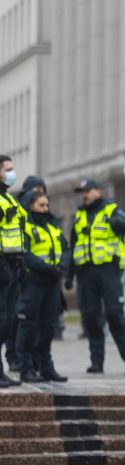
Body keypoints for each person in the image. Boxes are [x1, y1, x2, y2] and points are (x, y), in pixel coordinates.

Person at [65, 179, 125, 374]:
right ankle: (96, 362)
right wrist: (69, 275)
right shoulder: (79, 215)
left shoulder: (111, 209)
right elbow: (73, 247)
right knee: (90, 318)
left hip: (107, 270)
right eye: (82, 192)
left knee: (114, 314)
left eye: (87, 191)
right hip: (86, 273)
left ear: (97, 191)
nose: (84, 195)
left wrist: (115, 222)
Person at [15, 191, 69, 383]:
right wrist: (48, 268)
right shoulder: (25, 228)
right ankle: (26, 368)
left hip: (52, 284)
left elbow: (65, 249)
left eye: (47, 205)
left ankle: (46, 367)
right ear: (31, 206)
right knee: (28, 327)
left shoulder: (52, 227)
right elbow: (26, 254)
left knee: (48, 328)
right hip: (33, 283)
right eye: (41, 206)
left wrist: (61, 268)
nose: (46, 209)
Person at [0, 155, 26, 387]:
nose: (12, 173)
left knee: (7, 322)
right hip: (1, 268)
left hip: (10, 267)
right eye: (8, 169)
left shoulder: (9, 199)